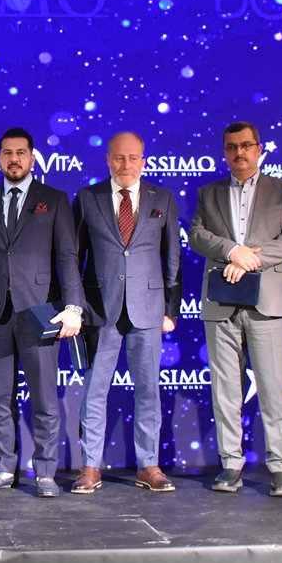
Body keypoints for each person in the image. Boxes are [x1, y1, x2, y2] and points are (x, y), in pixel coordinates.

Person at [188, 121, 282, 497]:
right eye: (231, 147)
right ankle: (231, 464)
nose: (239, 152)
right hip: (221, 301)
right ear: (224, 152)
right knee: (226, 389)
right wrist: (231, 251)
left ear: (259, 149)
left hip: (269, 302)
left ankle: (280, 467)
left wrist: (250, 258)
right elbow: (197, 235)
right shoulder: (208, 193)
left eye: (246, 145)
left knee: (273, 388)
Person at [0, 127, 83, 498]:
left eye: (20, 153)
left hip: (41, 312)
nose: (13, 159)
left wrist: (74, 307)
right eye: (6, 153)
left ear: (32, 157)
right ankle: (4, 468)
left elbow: (67, 257)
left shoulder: (55, 200)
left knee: (44, 398)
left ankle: (45, 472)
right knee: (0, 397)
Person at [72, 132, 181, 494]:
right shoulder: (87, 198)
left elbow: (172, 259)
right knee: (94, 391)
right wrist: (76, 306)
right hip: (99, 311)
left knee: (148, 390)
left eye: (133, 158)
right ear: (108, 159)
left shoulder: (162, 198)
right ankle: (90, 466)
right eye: (119, 158)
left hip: (148, 310)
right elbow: (73, 258)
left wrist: (171, 310)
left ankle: (148, 465)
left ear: (143, 161)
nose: (126, 165)